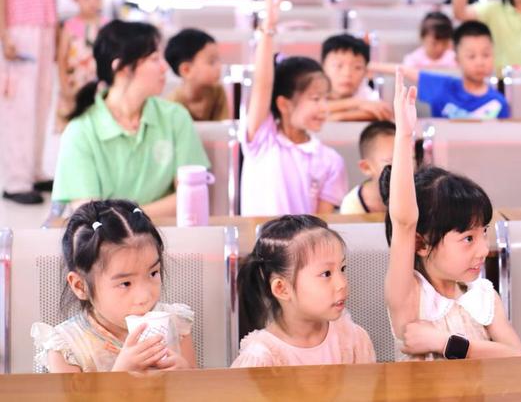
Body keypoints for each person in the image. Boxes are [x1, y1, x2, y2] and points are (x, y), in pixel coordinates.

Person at [382, 69, 521, 360]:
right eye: (468, 238)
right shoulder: (410, 296)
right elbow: (404, 222)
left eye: (483, 233)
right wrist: (405, 136)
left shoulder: (482, 294)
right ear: (421, 243)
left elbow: (516, 357)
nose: (483, 249)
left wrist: (446, 343)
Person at [52, 20, 210, 217]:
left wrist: (127, 217)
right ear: (122, 68)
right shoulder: (80, 131)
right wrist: (140, 217)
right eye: (154, 59)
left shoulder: (176, 117)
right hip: (105, 238)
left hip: (167, 234)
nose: (164, 67)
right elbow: (90, 216)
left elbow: (191, 197)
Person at [30, 200, 195, 372]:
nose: (144, 296)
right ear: (80, 286)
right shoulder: (67, 348)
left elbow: (197, 385)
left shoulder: (175, 325)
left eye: (153, 273)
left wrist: (185, 374)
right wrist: (120, 374)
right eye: (125, 283)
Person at [240, 0, 347, 216]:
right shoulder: (263, 138)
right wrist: (268, 28)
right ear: (284, 104)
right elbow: (262, 83)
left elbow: (321, 225)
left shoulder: (331, 161)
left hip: (305, 241)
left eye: (326, 99)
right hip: (259, 241)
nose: (324, 108)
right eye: (315, 99)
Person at [232, 215, 375, 367]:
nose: (342, 283)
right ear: (282, 288)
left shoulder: (353, 340)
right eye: (326, 274)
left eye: (342, 268)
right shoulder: (261, 358)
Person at [0, 0, 61, 204]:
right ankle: (16, 181)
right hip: (19, 29)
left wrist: (58, 33)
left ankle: (35, 171)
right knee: (19, 106)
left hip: (46, 27)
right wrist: (4, 34)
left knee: (41, 102)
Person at [370, 21, 509, 119]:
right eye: (471, 56)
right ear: (457, 59)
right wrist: (368, 66)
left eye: (486, 55)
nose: (480, 62)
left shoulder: (499, 102)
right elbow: (406, 71)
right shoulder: (443, 85)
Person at [55, 0, 107, 132]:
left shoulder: (107, 26)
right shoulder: (69, 26)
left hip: (100, 87)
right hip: (74, 86)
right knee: (74, 127)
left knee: (98, 126)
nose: (93, 2)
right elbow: (62, 59)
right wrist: (64, 87)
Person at [322, 33, 392, 121]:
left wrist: (340, 117)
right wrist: (356, 103)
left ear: (366, 71)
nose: (347, 74)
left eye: (357, 67)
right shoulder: (314, 86)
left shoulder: (364, 91)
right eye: (338, 66)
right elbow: (311, 108)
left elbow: (384, 111)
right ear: (323, 67)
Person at [164, 28, 229, 121]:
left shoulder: (218, 92)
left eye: (218, 60)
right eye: (211, 62)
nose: (219, 67)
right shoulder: (171, 105)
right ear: (186, 70)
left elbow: (223, 126)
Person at [340, 120, 395, 214]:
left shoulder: (417, 195)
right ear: (366, 167)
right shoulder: (351, 205)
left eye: (410, 158)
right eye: (391, 161)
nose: (404, 168)